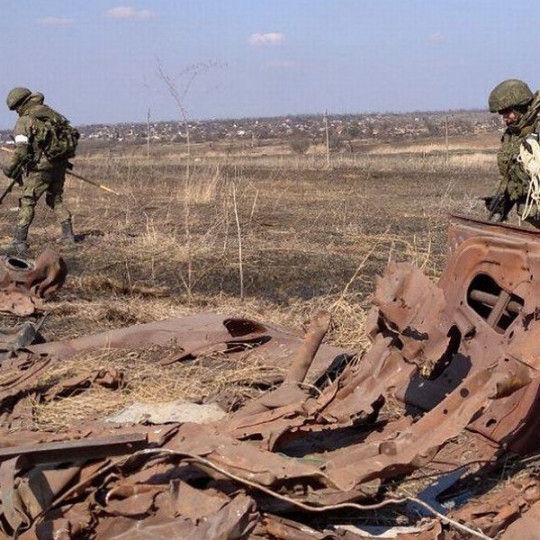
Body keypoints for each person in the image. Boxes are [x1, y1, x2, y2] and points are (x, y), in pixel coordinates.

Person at [1, 87, 78, 254]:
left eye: (15, 109)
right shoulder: (51, 113)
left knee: (27, 201)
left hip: (40, 168)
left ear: (19, 105)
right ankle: (68, 235)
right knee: (55, 199)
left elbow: (21, 151)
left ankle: (19, 242)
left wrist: (8, 168)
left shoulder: (25, 120)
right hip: (59, 165)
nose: (16, 112)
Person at [486, 79, 540, 224]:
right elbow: (509, 173)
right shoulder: (512, 135)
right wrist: (502, 199)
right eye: (501, 113)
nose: (503, 117)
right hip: (530, 214)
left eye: (506, 112)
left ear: (519, 107)